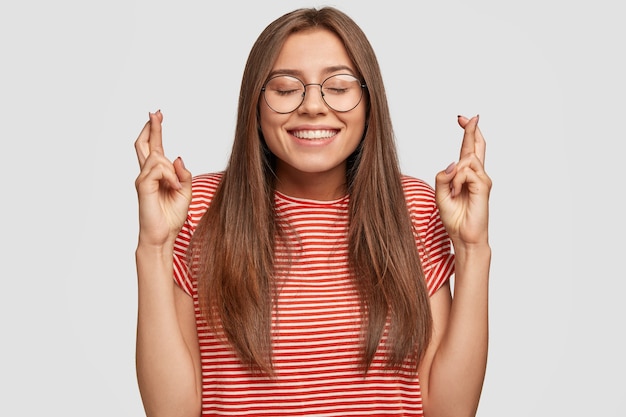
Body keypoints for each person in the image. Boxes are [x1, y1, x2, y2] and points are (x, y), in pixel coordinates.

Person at [134, 6, 491, 417]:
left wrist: (472, 248)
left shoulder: (414, 206)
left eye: (338, 87)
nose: (313, 106)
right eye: (286, 89)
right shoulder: (197, 208)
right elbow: (170, 411)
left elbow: (450, 410)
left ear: (369, 101)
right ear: (256, 104)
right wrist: (154, 247)